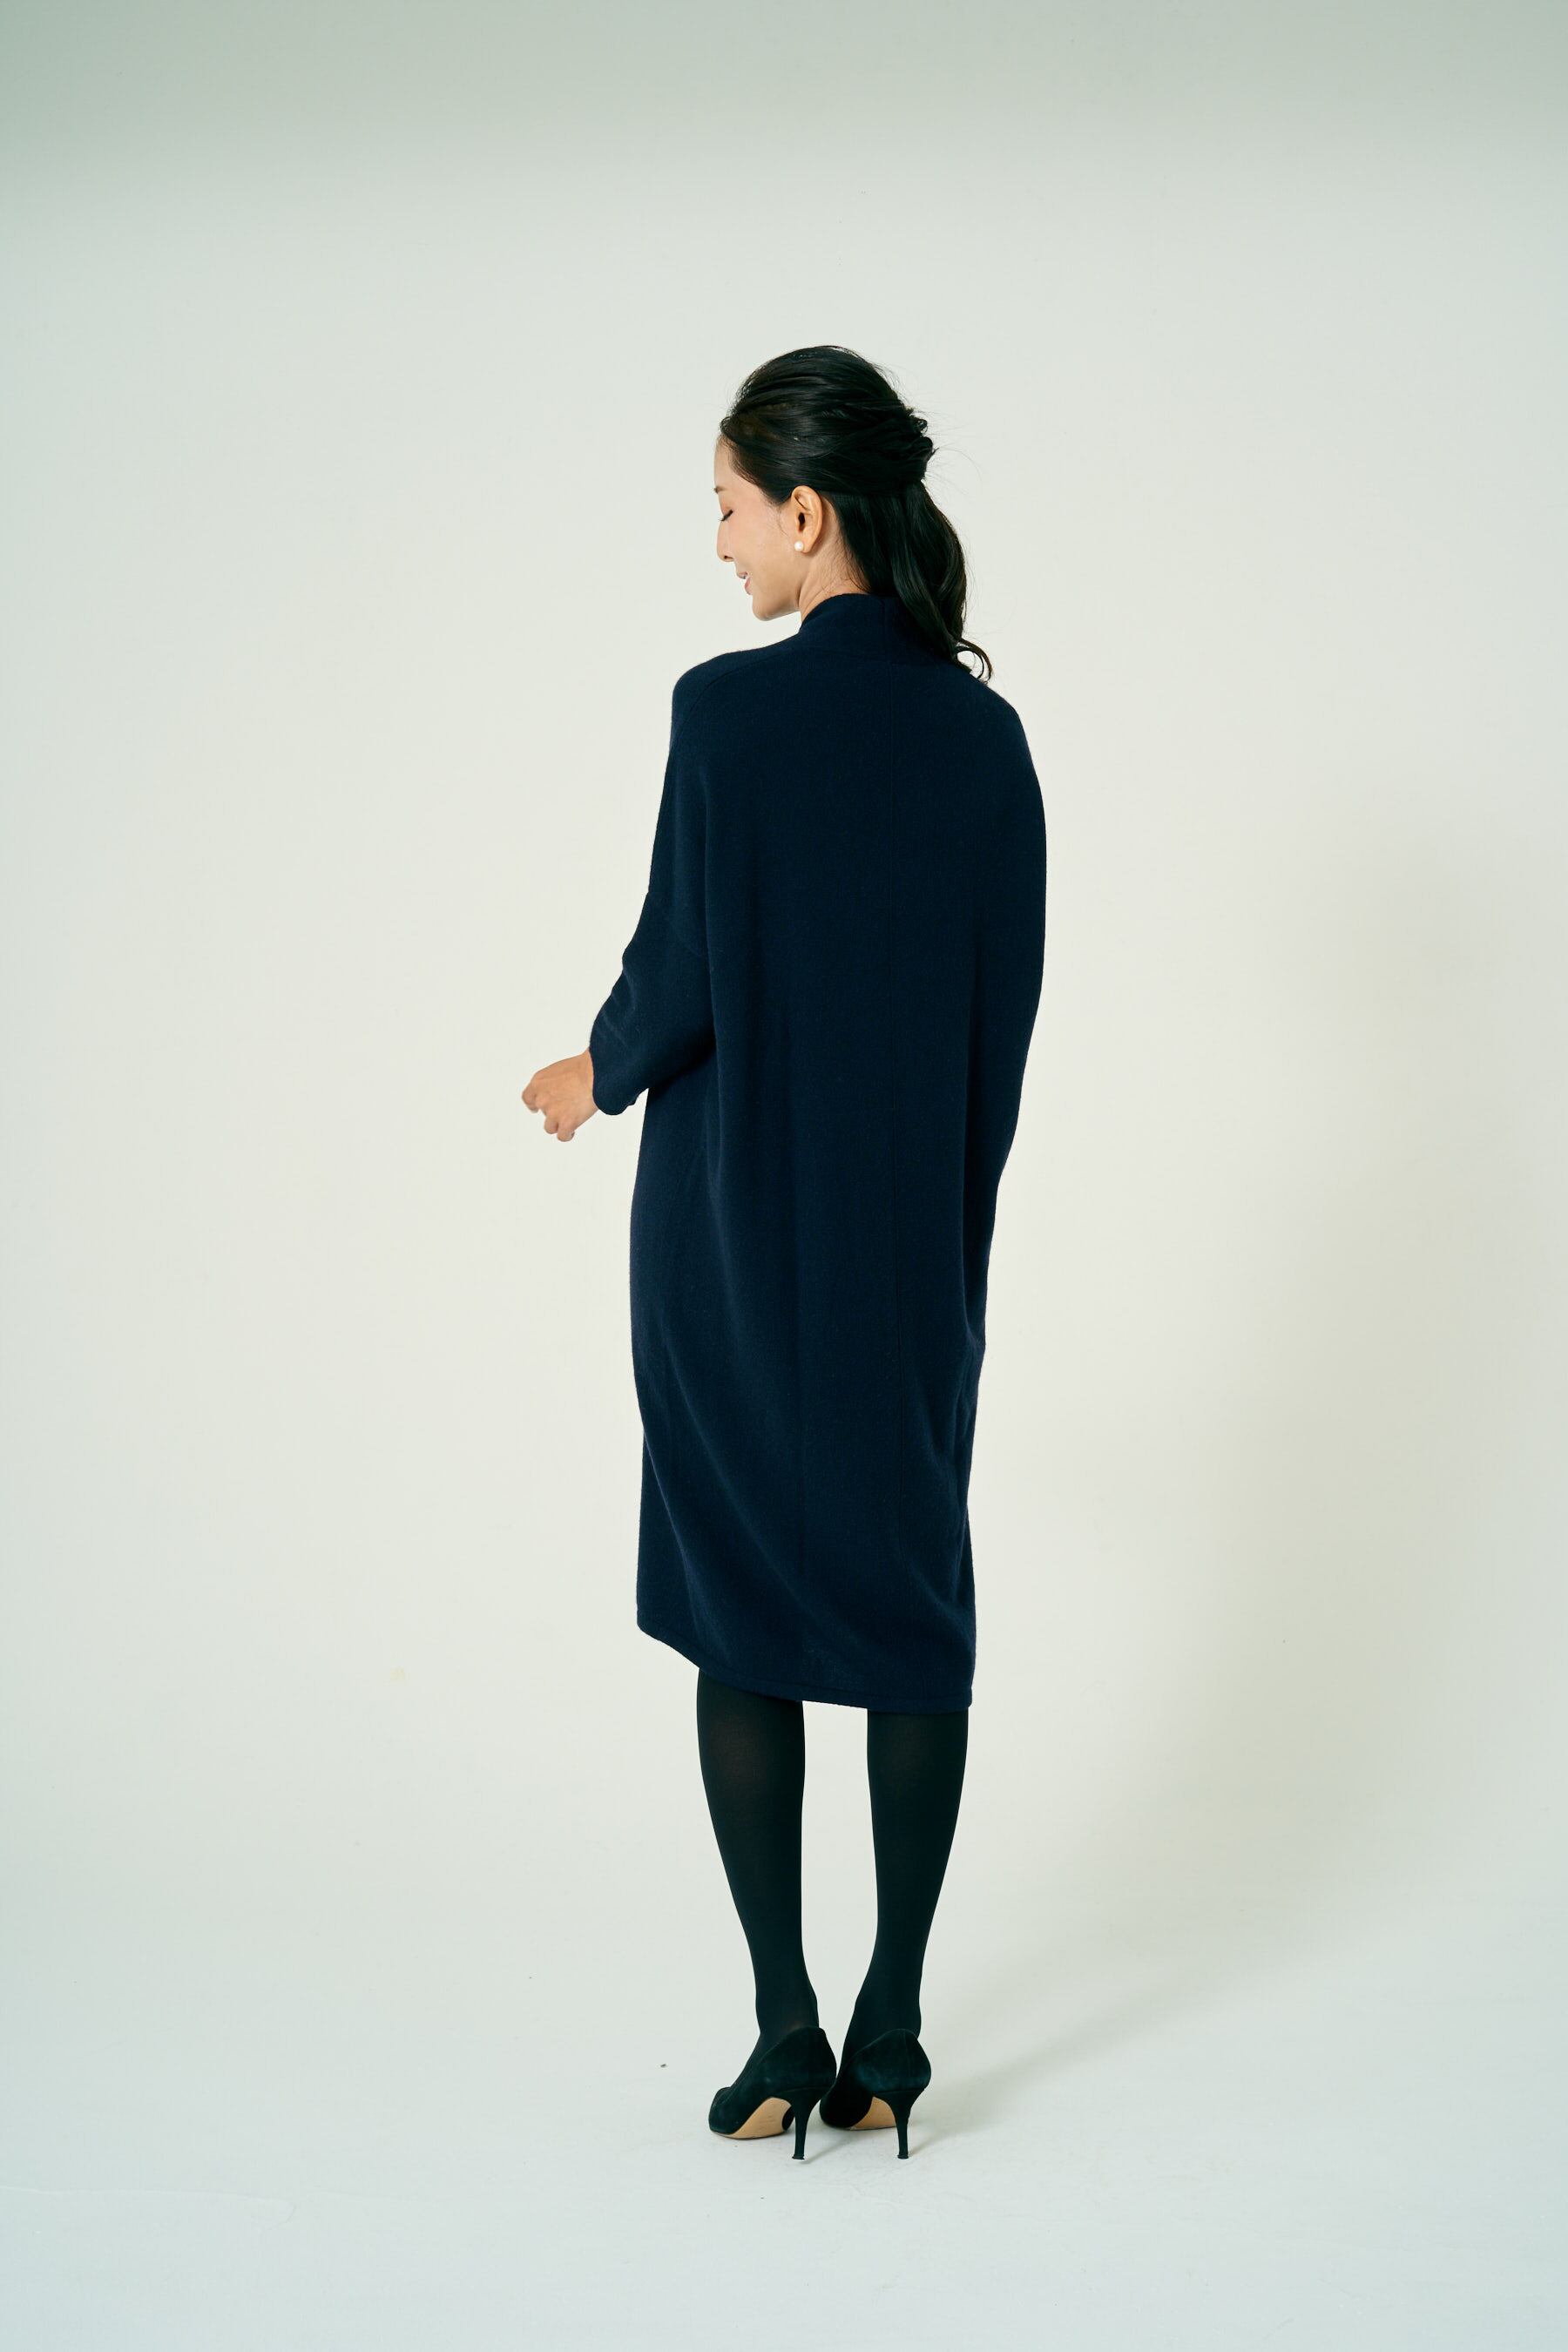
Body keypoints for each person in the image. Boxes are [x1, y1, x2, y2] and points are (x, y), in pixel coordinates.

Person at [524, 345, 1046, 2159]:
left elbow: (680, 967)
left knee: (738, 1602)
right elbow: (1002, 1024)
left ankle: (779, 2035)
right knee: (911, 1617)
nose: (723, 543)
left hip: (730, 1241)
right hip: (906, 1253)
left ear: (807, 512)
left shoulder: (724, 716)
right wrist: (943, 1219)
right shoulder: (984, 741)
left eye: (733, 508)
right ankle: (892, 2033)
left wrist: (596, 1067)